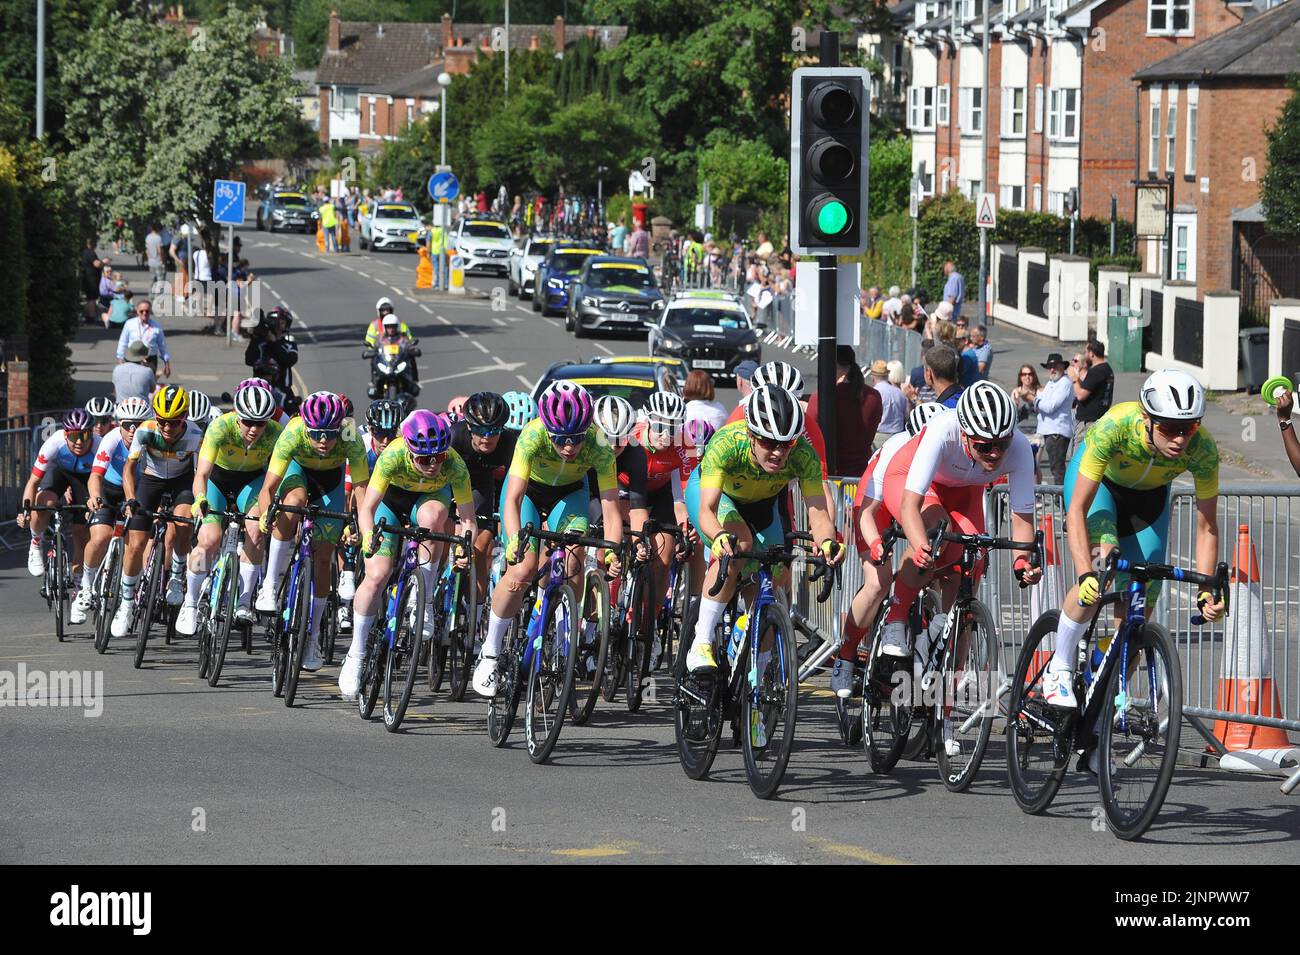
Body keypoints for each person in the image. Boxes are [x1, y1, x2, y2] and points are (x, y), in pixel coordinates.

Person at [1043, 370, 1223, 715]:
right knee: (1102, 569)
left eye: (1189, 428)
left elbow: (1207, 526)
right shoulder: (1116, 426)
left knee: (1140, 606)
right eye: (1169, 428)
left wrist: (1205, 589)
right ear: (1146, 419)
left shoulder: (1203, 451)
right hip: (1101, 491)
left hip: (1148, 504)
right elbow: (1077, 509)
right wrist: (1085, 573)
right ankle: (1060, 667)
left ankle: (1100, 711)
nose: (1180, 440)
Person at [875, 382, 1041, 676]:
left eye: (1001, 444)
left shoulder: (1018, 449)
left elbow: (1022, 517)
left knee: (973, 558)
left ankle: (948, 660)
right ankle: (896, 620)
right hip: (912, 482)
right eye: (983, 446)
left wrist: (1021, 561)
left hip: (964, 491)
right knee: (934, 533)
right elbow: (909, 506)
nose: (994, 454)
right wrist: (920, 546)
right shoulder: (943, 430)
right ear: (964, 434)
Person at [472, 381, 623, 697]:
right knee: (523, 569)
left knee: (574, 556)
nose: (569, 447)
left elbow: (611, 509)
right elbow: (512, 499)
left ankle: (561, 626)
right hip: (529, 493)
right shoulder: (532, 435)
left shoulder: (599, 444)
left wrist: (612, 553)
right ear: (548, 430)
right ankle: (489, 651)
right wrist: (514, 540)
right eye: (561, 439)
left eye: (575, 438)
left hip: (569, 494)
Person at [683, 385, 845, 674]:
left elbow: (819, 515)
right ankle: (702, 643)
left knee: (777, 578)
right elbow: (708, 509)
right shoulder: (726, 444)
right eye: (769, 443)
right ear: (751, 435)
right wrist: (719, 537)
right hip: (718, 499)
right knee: (738, 549)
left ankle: (759, 669)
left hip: (762, 506)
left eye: (787, 444)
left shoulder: (802, 455)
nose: (779, 452)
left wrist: (828, 542)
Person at [341, 411, 476, 699]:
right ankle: (356, 652)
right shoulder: (392, 455)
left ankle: (423, 598)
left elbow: (468, 521)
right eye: (424, 459)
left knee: (434, 515)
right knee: (377, 575)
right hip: (391, 504)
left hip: (427, 503)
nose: (432, 465)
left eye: (438, 457)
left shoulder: (453, 463)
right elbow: (367, 508)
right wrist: (368, 539)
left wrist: (465, 549)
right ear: (410, 450)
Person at [254, 392, 370, 671]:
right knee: (291, 503)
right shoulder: (293, 431)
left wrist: (360, 527)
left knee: (322, 558)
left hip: (330, 482)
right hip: (298, 474)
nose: (323, 441)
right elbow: (268, 488)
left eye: (329, 434)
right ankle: (269, 585)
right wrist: (267, 515)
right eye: (316, 433)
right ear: (306, 427)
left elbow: (362, 490)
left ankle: (313, 636)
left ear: (340, 427)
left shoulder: (350, 435)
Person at [180, 384, 282, 634]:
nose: (254, 429)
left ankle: (245, 602)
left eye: (261, 423)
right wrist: (200, 498)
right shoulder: (220, 427)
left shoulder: (275, 433)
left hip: (252, 482)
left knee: (257, 531)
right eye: (248, 422)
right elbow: (201, 473)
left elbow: (277, 475)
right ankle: (190, 602)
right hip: (217, 480)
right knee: (209, 540)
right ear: (237, 416)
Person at [109, 387, 203, 638]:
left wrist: (199, 502)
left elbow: (199, 474)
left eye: (174, 422)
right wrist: (130, 498)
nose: (168, 427)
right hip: (151, 481)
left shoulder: (195, 434)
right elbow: (130, 469)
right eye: (162, 421)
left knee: (184, 522)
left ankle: (175, 575)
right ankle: (126, 602)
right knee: (136, 543)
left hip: (182, 482)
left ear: (184, 417)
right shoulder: (146, 431)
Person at [17, 408, 100, 580]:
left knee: (81, 532)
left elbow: (103, 479)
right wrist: (26, 512)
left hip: (85, 478)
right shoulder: (54, 443)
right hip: (59, 472)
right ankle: (36, 542)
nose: (79, 442)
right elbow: (33, 482)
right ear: (65, 435)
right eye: (73, 436)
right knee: (43, 504)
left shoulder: (99, 445)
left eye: (84, 436)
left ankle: (79, 584)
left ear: (91, 433)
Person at [806, 345, 882, 476]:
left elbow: (808, 436)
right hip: (861, 474)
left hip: (828, 476)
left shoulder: (819, 398)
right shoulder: (874, 397)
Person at [1034, 354, 1074, 485]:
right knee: (1055, 467)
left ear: (1062, 367)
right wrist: (1039, 402)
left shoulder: (1065, 383)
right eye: (1049, 367)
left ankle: (1062, 500)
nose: (1052, 370)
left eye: (1055, 366)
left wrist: (1035, 401)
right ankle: (1061, 499)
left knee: (1057, 468)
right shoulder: (1052, 383)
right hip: (1050, 430)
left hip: (1057, 431)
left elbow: (1050, 406)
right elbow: (1044, 404)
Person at [1070, 338, 1113, 452]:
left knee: (1078, 457)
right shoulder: (1107, 369)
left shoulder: (1096, 371)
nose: (1085, 354)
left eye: (1086, 352)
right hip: (1099, 417)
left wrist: (1074, 379)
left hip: (1088, 422)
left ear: (1091, 353)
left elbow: (1080, 395)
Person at [116, 299, 171, 379]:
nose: (144, 313)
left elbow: (162, 346)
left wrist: (167, 364)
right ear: (137, 311)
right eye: (141, 311)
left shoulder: (156, 326)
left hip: (150, 360)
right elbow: (123, 342)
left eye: (147, 311)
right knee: (133, 382)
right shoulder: (130, 324)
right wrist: (120, 359)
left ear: (150, 311)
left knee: (149, 384)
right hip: (132, 358)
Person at [871, 359, 908, 448]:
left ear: (873, 377)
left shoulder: (874, 393)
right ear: (887, 375)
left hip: (879, 437)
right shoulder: (899, 392)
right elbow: (906, 416)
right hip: (898, 437)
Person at [1010, 364, 1042, 444]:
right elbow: (1012, 415)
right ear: (1020, 377)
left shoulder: (1040, 391)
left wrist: (1031, 398)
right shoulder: (1016, 392)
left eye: (1030, 374)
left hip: (1037, 432)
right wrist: (1016, 405)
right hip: (1021, 432)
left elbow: (1045, 410)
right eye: (1024, 374)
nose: (1027, 377)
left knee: (1035, 457)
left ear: (1034, 376)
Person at [145, 224, 165, 290]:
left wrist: (149, 258)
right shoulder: (158, 238)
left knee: (152, 280)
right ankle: (159, 296)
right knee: (160, 280)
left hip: (151, 261)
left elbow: (147, 250)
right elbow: (159, 251)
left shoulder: (148, 237)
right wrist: (162, 260)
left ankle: (151, 295)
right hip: (158, 261)